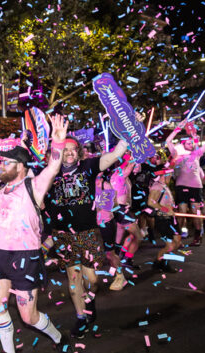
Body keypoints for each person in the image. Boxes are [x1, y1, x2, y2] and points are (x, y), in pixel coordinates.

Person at [0, 115, 71, 353]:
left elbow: (53, 168)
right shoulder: (0, 191)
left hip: (25, 256)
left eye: (6, 163)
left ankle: (58, 337)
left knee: (28, 316)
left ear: (20, 165)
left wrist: (58, 142)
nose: (1, 167)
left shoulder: (33, 186)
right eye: (1, 163)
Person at [45, 131, 130, 339]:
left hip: (88, 233)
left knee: (92, 280)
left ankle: (90, 299)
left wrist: (128, 128)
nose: (69, 153)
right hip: (63, 235)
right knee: (74, 280)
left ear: (79, 152)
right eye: (65, 149)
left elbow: (116, 153)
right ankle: (81, 317)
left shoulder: (89, 166)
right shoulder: (50, 172)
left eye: (73, 149)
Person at [165, 114, 205, 246]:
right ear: (183, 144)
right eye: (188, 143)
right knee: (181, 213)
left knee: (196, 214)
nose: (191, 145)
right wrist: (178, 128)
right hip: (181, 186)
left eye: (192, 143)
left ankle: (198, 236)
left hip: (196, 187)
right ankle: (178, 238)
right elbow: (168, 141)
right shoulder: (177, 154)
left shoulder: (197, 154)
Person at [147, 169, 181, 273]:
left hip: (171, 219)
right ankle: (158, 262)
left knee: (177, 242)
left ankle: (164, 262)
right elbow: (150, 202)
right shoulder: (157, 186)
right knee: (171, 245)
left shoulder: (164, 185)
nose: (171, 177)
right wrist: (166, 210)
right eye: (169, 175)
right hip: (162, 219)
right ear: (163, 175)